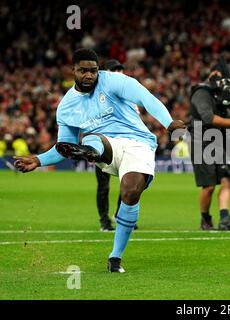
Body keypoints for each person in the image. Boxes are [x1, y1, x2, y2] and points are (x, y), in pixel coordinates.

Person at [14, 48, 185, 273]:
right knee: (93, 138)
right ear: (72, 71)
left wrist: (168, 122)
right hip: (105, 146)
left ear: (98, 70)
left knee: (130, 192)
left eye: (93, 71)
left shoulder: (114, 81)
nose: (89, 75)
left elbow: (146, 97)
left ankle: (115, 257)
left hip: (138, 144)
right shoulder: (66, 107)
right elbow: (63, 148)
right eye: (83, 71)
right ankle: (89, 151)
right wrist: (38, 160)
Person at [188, 63, 230, 231]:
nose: (218, 78)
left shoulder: (220, 96)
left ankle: (224, 219)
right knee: (208, 186)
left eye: (222, 76)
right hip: (201, 142)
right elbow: (207, 117)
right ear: (211, 74)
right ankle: (205, 219)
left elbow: (225, 117)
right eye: (216, 74)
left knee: (229, 179)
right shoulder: (201, 93)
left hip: (218, 142)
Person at [94, 59, 138, 232]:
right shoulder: (98, 94)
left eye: (120, 70)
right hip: (104, 145)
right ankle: (104, 221)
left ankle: (122, 216)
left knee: (128, 181)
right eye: (115, 70)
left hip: (126, 145)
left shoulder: (129, 96)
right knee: (103, 185)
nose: (119, 73)